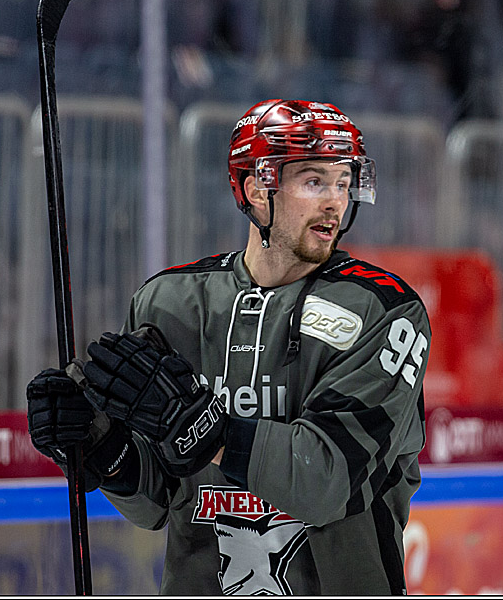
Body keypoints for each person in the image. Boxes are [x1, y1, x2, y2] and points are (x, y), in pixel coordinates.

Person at [26, 99, 431, 595]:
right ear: (255, 189)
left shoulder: (385, 312)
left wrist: (212, 434)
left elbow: (327, 482)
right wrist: (103, 451)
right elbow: (157, 502)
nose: (335, 202)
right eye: (313, 181)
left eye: (343, 182)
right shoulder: (169, 304)